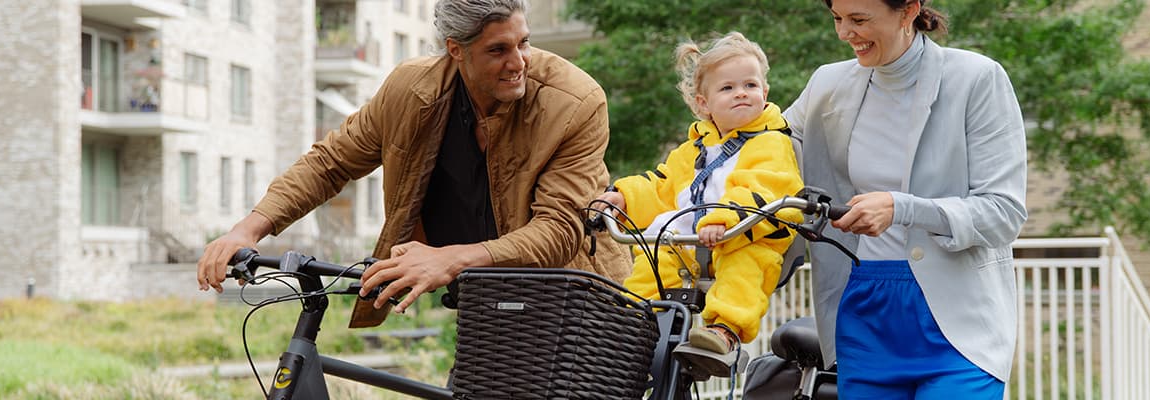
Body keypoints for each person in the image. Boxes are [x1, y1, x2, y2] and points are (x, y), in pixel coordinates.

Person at [196, 0, 630, 325]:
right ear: (455, 50)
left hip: (576, 302)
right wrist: (247, 229)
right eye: (498, 50)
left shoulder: (574, 101)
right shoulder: (410, 90)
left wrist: (449, 259)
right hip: (485, 302)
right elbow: (332, 162)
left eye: (524, 43)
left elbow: (557, 232)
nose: (518, 63)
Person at [782, 0, 1028, 398]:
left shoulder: (977, 78)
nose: (845, 33)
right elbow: (766, 145)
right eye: (837, 19)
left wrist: (902, 208)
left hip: (959, 322)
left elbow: (1003, 212)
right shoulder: (826, 85)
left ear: (908, 10)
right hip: (865, 310)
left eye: (859, 20)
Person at [595, 32, 803, 376]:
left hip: (745, 235)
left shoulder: (771, 143)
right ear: (703, 104)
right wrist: (624, 199)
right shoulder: (693, 149)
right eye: (727, 88)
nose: (741, 93)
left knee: (745, 268)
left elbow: (766, 185)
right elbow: (663, 187)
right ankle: (634, 321)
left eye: (750, 85)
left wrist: (723, 219)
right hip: (690, 242)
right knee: (654, 256)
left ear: (764, 93)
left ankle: (723, 332)